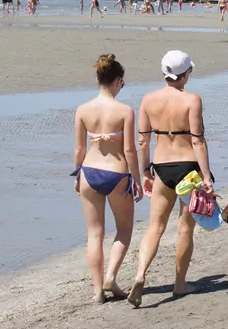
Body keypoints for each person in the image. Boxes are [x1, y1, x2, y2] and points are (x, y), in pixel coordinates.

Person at [127, 50, 215, 308]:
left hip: (162, 167)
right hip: (189, 167)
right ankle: (179, 283)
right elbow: (197, 140)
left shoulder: (148, 100)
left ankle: (140, 274)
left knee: (155, 226)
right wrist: (206, 175)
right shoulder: (192, 99)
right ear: (186, 74)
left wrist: (145, 171)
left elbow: (142, 140)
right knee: (185, 228)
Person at [72, 54, 142, 303]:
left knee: (94, 234)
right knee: (124, 229)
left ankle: (97, 290)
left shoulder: (82, 110)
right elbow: (130, 150)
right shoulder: (125, 110)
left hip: (88, 172)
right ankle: (111, 276)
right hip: (117, 173)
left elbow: (80, 149)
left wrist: (76, 174)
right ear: (118, 81)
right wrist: (137, 180)